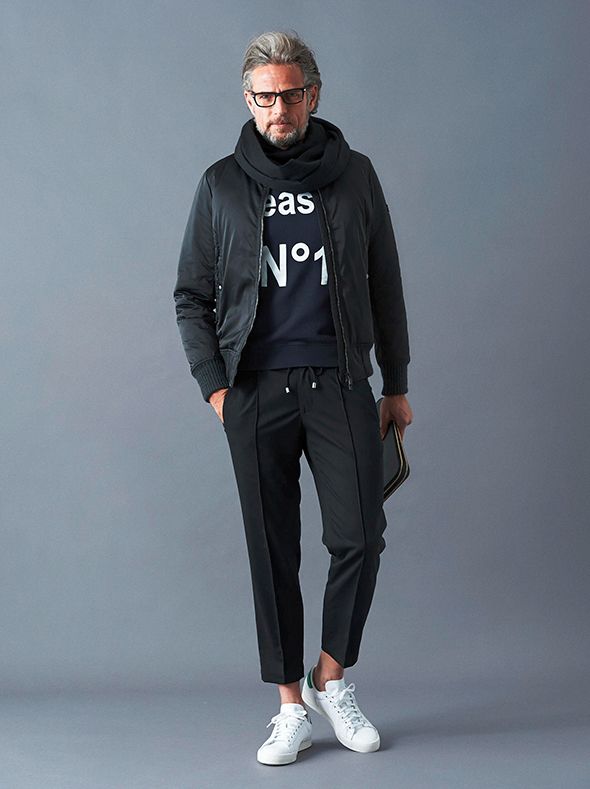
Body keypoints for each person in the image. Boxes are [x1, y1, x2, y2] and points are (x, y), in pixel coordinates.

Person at [173, 30, 413, 766]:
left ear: (313, 93)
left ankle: (330, 678)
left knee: (360, 534)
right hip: (255, 391)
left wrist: (396, 382)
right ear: (248, 100)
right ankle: (289, 707)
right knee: (271, 548)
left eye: (290, 94)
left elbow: (385, 281)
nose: (278, 109)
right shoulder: (221, 184)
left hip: (339, 382)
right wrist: (217, 388)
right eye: (264, 97)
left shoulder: (355, 175)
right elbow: (191, 295)